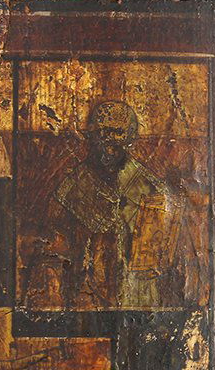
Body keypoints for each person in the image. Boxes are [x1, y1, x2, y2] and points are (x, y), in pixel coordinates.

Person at [26, 100, 184, 309]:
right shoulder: (73, 185)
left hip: (137, 295)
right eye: (103, 132)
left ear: (130, 137)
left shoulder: (149, 187)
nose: (109, 141)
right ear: (92, 135)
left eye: (117, 132)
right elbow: (51, 243)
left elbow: (165, 248)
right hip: (86, 295)